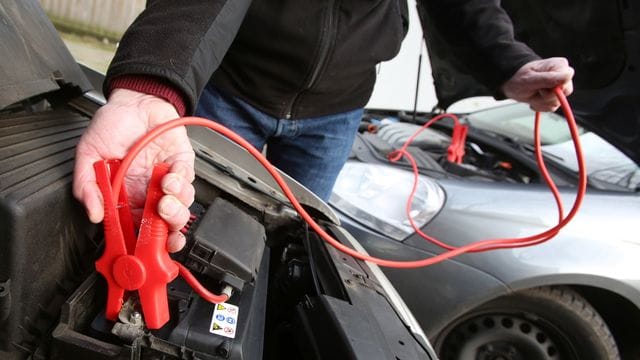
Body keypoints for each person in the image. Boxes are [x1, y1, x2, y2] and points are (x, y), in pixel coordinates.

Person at [73, 0, 574, 253]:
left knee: (294, 247)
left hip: (337, 112)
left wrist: (507, 63)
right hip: (233, 90)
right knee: (191, 235)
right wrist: (150, 88)